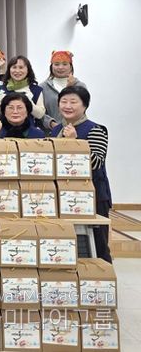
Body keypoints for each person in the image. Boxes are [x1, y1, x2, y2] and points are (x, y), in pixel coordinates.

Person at [51, 86, 112, 262]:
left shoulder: (95, 130)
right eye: (64, 101)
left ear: (84, 106)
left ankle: (101, 274)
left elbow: (96, 163)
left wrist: (74, 142)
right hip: (63, 194)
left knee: (98, 244)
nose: (68, 106)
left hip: (93, 195)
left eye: (73, 102)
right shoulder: (56, 131)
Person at [40, 51, 86, 131]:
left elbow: (82, 109)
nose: (60, 67)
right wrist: (52, 123)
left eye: (65, 64)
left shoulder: (80, 86)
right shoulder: (42, 87)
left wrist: (70, 88)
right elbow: (40, 113)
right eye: (56, 64)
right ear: (51, 66)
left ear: (71, 66)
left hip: (76, 131)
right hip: (50, 132)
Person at [0, 55, 46, 120]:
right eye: (14, 67)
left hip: (29, 125)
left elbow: (40, 115)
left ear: (28, 70)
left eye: (21, 67)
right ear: (9, 70)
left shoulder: (36, 89)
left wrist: (29, 103)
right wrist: (2, 104)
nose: (17, 71)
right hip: (4, 125)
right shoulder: (1, 88)